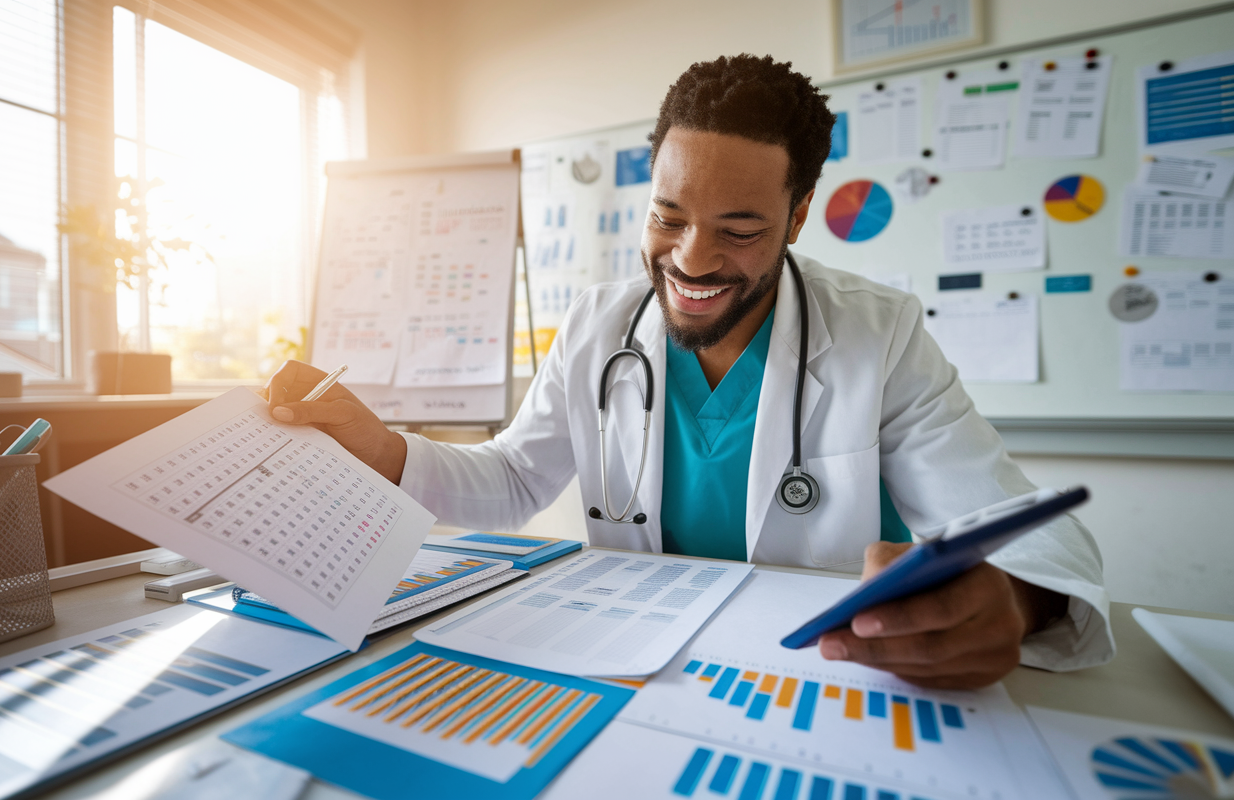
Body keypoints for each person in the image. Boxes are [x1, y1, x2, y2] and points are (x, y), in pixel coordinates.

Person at [264, 55, 1113, 689]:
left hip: (818, 678)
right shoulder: (601, 325)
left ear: (798, 215)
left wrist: (1017, 600)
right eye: (668, 217)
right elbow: (516, 477)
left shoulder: (878, 335)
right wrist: (385, 453)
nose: (691, 260)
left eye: (739, 230)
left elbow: (1016, 521)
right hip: (641, 670)